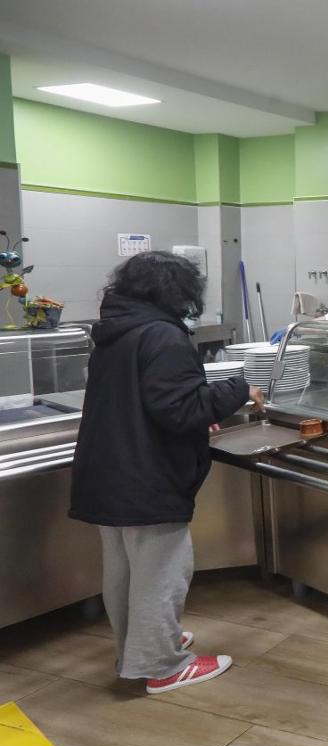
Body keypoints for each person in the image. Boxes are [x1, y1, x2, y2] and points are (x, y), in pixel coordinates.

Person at [69, 251, 264, 694]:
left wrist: (194, 408)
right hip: (146, 474)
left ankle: (136, 648)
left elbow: (150, 400)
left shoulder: (117, 331)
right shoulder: (162, 335)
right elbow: (178, 409)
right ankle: (162, 664)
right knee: (161, 571)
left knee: (124, 571)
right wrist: (238, 389)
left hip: (108, 468)